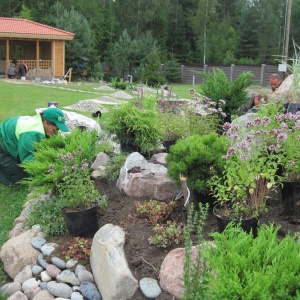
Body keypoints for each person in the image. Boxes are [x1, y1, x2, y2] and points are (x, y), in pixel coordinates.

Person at [0, 108, 69, 185]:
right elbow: (28, 162)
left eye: (58, 130)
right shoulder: (30, 134)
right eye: (55, 130)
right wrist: (47, 172)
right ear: (45, 122)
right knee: (19, 178)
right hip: (2, 144)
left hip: (12, 140)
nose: (56, 133)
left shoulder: (43, 125)